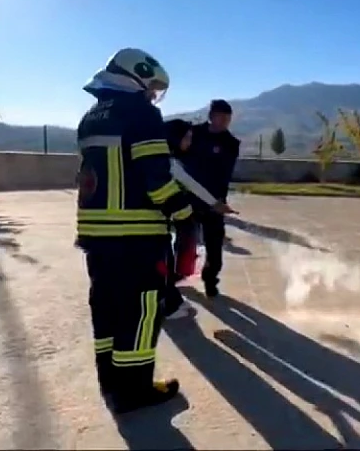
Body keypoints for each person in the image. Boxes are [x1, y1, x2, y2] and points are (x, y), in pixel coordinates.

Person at [75, 47, 195, 414]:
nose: (153, 93)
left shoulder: (91, 117)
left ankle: (111, 384)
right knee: (142, 313)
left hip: (97, 236)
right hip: (136, 235)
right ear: (136, 76)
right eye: (152, 85)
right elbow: (155, 178)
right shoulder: (141, 113)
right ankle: (136, 391)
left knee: (107, 310)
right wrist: (186, 215)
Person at [162, 119, 235, 319]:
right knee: (161, 260)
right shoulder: (164, 162)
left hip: (158, 221)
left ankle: (170, 299)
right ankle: (169, 305)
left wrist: (215, 204)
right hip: (150, 221)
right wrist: (214, 204)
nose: (189, 143)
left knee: (164, 257)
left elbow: (190, 184)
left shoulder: (168, 159)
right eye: (186, 138)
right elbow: (189, 185)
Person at [180, 99, 241, 298]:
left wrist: (220, 201)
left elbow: (225, 175)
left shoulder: (231, 144)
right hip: (189, 198)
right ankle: (176, 276)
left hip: (214, 202)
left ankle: (210, 280)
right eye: (221, 117)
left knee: (214, 247)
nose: (224, 122)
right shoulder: (193, 134)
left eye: (228, 119)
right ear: (211, 116)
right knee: (185, 241)